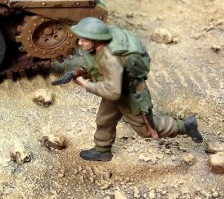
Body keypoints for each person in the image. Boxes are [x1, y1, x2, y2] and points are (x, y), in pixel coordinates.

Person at [62, 17, 203, 161]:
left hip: (129, 95)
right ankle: (102, 149)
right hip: (114, 89)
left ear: (96, 40)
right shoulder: (100, 49)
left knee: (146, 129)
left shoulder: (110, 59)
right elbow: (99, 68)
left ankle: (184, 126)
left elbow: (113, 91)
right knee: (104, 119)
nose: (80, 43)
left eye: (83, 40)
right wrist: (79, 72)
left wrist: (85, 84)